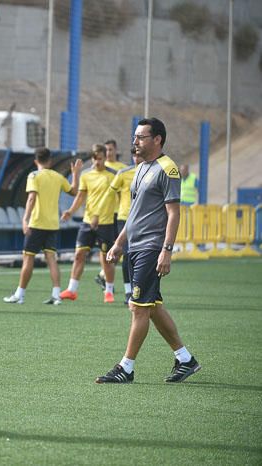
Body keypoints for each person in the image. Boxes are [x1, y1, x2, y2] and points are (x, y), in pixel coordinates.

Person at [96, 117, 201, 384]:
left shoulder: (168, 169)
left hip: (152, 248)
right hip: (135, 246)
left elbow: (173, 213)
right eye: (135, 137)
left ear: (157, 140)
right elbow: (134, 213)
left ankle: (126, 368)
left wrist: (167, 250)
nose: (135, 142)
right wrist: (120, 242)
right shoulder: (142, 168)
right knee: (151, 306)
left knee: (138, 307)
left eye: (141, 137)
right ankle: (186, 359)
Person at [2, 148, 83, 305]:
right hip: (52, 224)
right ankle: (56, 295)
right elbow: (73, 191)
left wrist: (25, 219)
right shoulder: (57, 177)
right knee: (51, 259)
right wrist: (76, 174)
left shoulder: (33, 176)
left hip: (37, 223)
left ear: (35, 161)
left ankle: (20, 295)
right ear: (50, 161)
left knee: (28, 258)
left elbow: (31, 198)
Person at [59, 144, 118, 303]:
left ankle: (109, 291)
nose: (97, 162)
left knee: (106, 259)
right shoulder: (86, 175)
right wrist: (70, 211)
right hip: (87, 222)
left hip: (106, 223)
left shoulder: (113, 175)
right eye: (94, 158)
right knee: (79, 255)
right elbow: (80, 196)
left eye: (100, 158)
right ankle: (71, 290)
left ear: (105, 158)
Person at [103, 146, 143, 304]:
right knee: (127, 254)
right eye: (134, 156)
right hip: (124, 218)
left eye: (139, 155)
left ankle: (140, 289)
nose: (136, 159)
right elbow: (109, 193)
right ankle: (128, 291)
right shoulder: (123, 173)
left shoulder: (153, 173)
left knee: (140, 255)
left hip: (143, 220)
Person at [94, 139, 128, 290]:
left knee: (120, 248)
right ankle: (107, 278)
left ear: (116, 150)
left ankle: (103, 274)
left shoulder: (123, 169)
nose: (108, 153)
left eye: (110, 150)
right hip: (104, 215)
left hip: (119, 213)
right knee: (107, 249)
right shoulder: (100, 167)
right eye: (106, 150)